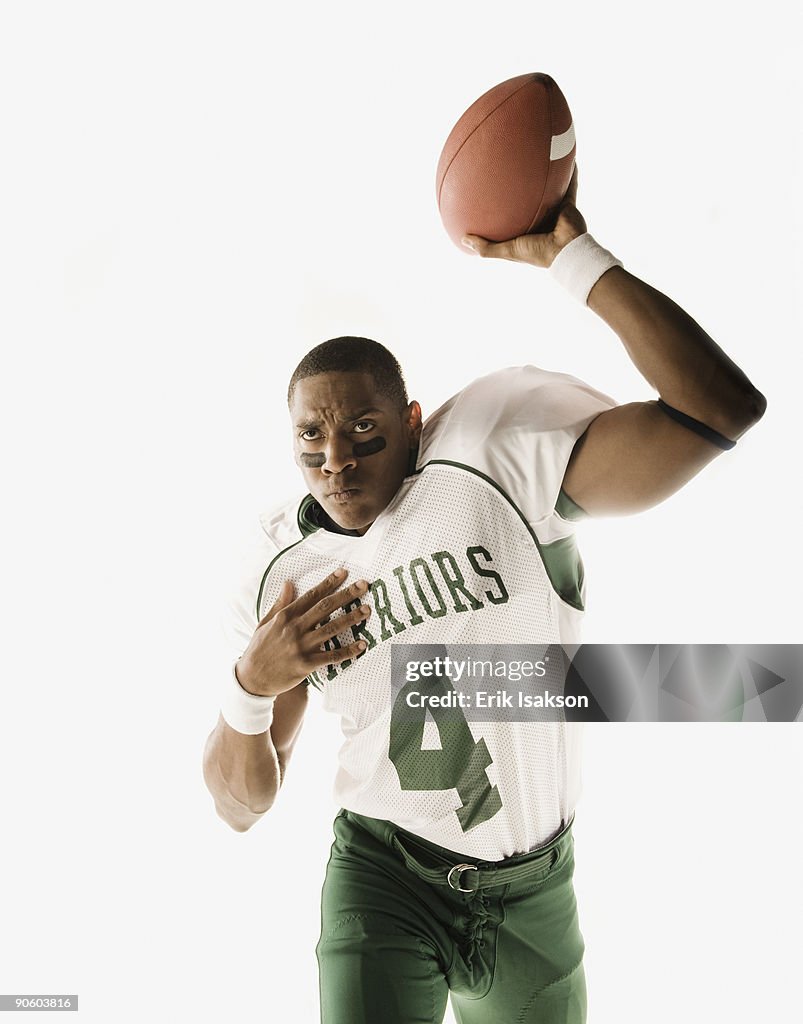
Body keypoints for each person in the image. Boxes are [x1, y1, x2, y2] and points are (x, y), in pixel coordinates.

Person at [202, 169, 765, 1024]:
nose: (337, 461)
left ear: (416, 420)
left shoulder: (492, 455)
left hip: (536, 886)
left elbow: (719, 407)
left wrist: (571, 256)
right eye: (311, 437)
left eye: (364, 430)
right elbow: (242, 807)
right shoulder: (284, 569)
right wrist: (248, 689)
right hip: (382, 875)